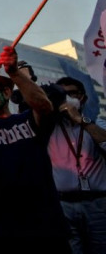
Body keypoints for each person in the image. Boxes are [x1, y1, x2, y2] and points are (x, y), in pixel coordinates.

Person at [0, 46, 70, 253]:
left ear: (7, 92)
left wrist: (14, 72)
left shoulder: (28, 120)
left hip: (46, 226)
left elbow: (44, 106)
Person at [47, 76, 106, 254]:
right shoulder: (50, 128)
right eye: (61, 94)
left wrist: (81, 120)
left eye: (71, 93)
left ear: (82, 97)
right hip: (64, 205)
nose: (66, 98)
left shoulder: (97, 123)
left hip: (98, 204)